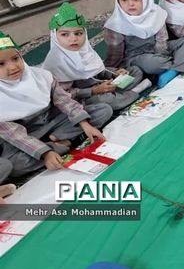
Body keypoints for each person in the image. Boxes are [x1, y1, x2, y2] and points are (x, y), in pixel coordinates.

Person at [0, 31, 110, 184]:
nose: (12, 67)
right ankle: (60, 144)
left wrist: (84, 124)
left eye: (15, 58)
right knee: (15, 165)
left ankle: (60, 139)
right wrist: (46, 153)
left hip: (54, 121)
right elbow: (16, 136)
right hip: (27, 134)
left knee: (102, 110)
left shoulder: (42, 76)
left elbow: (65, 101)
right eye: (1, 64)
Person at [42, 2, 146, 111]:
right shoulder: (55, 62)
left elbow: (98, 70)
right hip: (83, 98)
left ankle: (120, 95)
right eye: (65, 34)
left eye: (78, 33)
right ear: (55, 36)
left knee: (135, 71)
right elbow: (64, 95)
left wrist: (115, 72)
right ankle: (133, 92)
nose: (73, 39)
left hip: (101, 85)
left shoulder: (85, 50)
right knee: (107, 101)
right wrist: (94, 90)